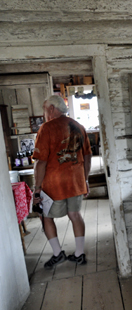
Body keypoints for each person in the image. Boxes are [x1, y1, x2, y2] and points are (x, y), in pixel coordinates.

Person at [33, 95, 92, 269]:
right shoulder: (78, 126)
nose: (44, 113)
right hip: (76, 182)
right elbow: (87, 156)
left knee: (45, 217)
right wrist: (85, 179)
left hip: (54, 185)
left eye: (45, 109)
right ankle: (79, 254)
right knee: (75, 215)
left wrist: (37, 189)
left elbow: (40, 162)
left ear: (51, 109)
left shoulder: (46, 128)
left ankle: (58, 254)